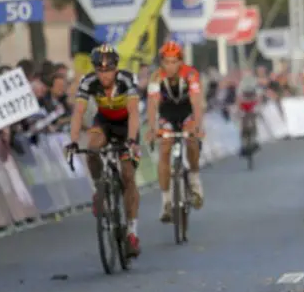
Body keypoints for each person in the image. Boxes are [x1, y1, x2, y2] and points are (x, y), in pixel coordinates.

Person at [66, 45, 142, 257]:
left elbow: (134, 112)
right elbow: (78, 112)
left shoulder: (127, 80)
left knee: (128, 175)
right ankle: (100, 190)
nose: (104, 74)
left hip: (127, 124)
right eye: (100, 70)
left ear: (116, 69)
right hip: (104, 123)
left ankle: (132, 232)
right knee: (91, 149)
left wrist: (132, 140)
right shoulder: (89, 82)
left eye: (108, 70)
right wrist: (72, 141)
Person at [145, 41, 205, 223]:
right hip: (167, 114)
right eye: (167, 62)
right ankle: (166, 202)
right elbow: (152, 105)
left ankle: (194, 180)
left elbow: (196, 102)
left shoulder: (191, 74)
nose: (170, 66)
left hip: (187, 113)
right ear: (162, 63)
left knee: (192, 141)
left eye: (174, 61)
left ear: (181, 62)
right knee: (165, 148)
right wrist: (152, 128)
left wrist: (198, 126)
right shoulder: (156, 77)